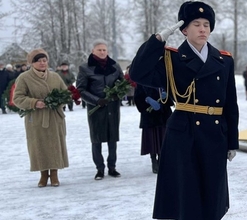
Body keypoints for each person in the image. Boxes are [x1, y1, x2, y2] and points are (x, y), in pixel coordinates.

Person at [130, 1, 239, 220]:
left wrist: (233, 140)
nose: (203, 29)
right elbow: (138, 73)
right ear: (184, 29)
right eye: (196, 25)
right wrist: (157, 40)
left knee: (212, 195)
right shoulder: (171, 59)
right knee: (190, 196)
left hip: (214, 134)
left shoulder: (223, 60)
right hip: (184, 134)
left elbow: (231, 104)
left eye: (206, 25)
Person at [12, 49, 69, 187]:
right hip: (36, 118)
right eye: (39, 61)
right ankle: (43, 174)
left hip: (55, 117)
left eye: (44, 60)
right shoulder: (24, 78)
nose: (42, 63)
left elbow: (65, 93)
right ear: (32, 63)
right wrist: (34, 102)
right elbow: (17, 98)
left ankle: (54, 173)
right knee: (39, 145)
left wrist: (58, 101)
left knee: (55, 144)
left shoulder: (55, 77)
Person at [76, 40, 124, 180]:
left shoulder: (114, 66)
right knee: (96, 139)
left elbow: (123, 84)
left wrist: (118, 94)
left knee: (112, 139)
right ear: (93, 51)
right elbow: (81, 89)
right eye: (99, 50)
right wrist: (96, 100)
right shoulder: (85, 68)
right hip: (96, 109)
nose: (102, 52)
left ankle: (112, 167)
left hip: (112, 107)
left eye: (104, 50)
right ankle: (100, 168)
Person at [133, 84, 172, 174]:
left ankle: (161, 160)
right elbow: (138, 96)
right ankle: (154, 160)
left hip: (164, 114)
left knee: (163, 138)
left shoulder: (164, 78)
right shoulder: (142, 81)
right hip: (149, 115)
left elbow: (173, 96)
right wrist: (147, 99)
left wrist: (168, 96)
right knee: (152, 139)